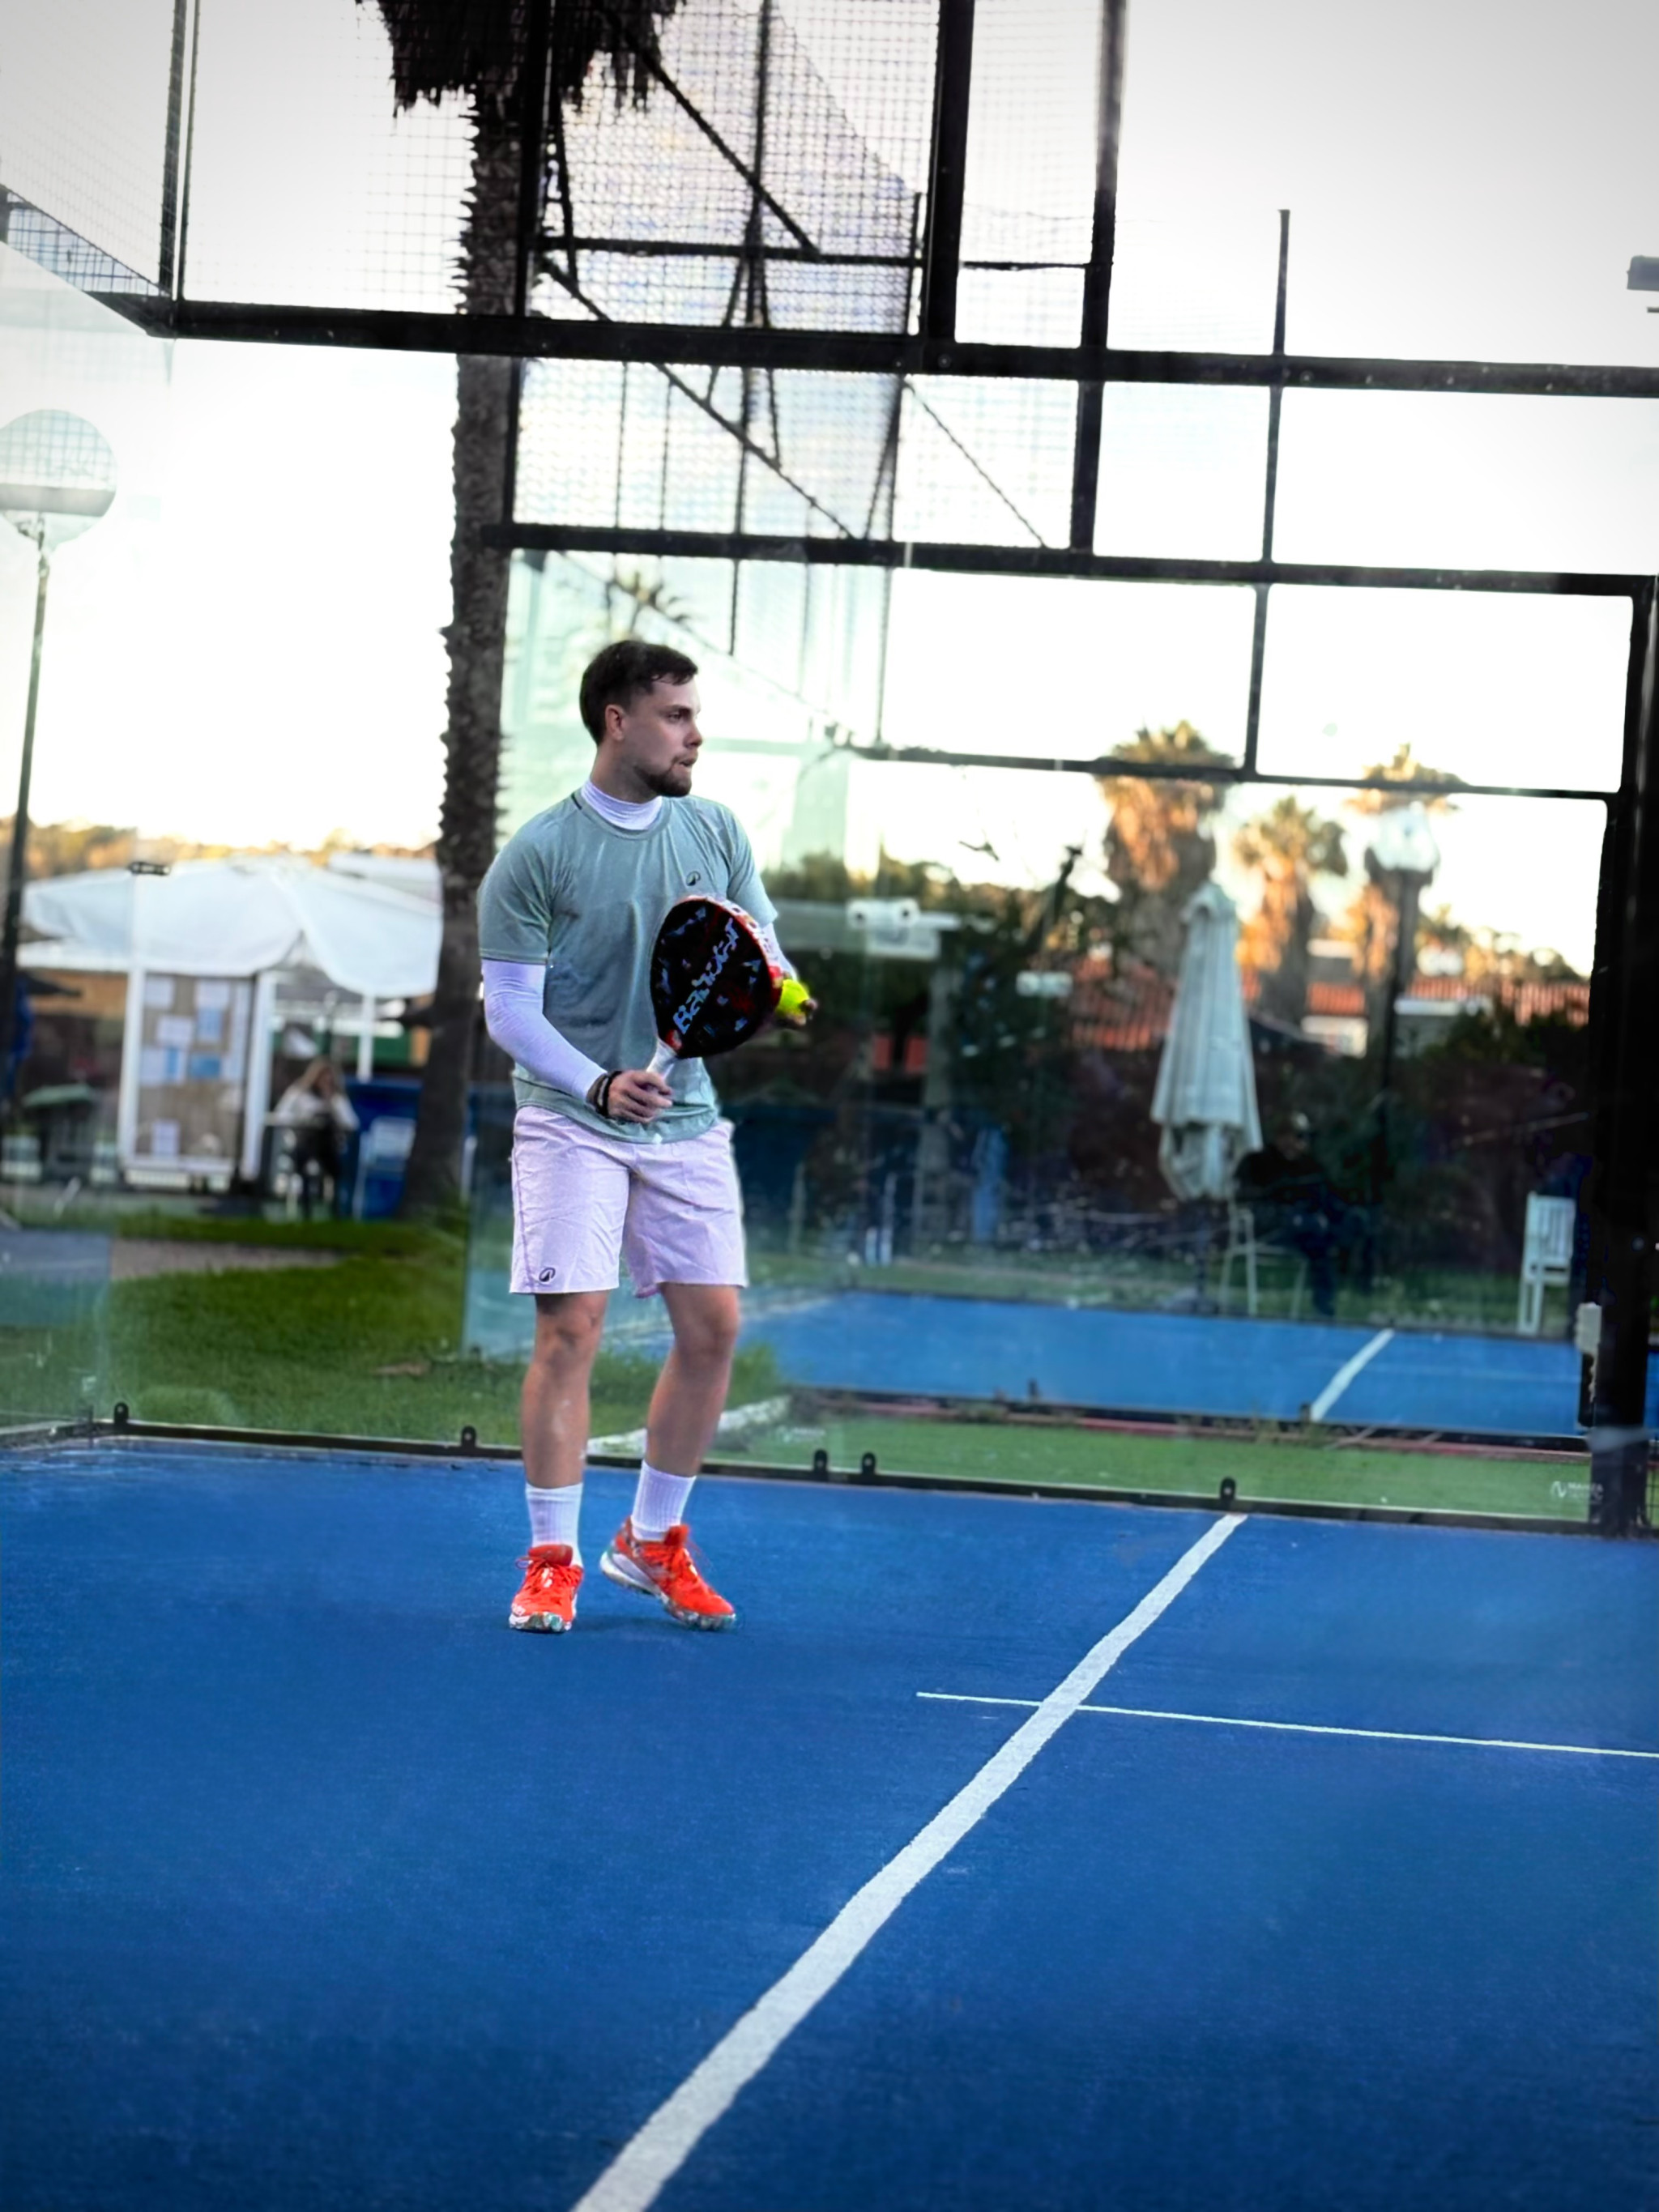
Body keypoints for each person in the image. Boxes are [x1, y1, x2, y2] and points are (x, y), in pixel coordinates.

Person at [478, 638, 803, 1635]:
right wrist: (598, 1082)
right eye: (676, 715)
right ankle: (551, 1561)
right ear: (617, 721)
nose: (694, 735)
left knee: (713, 1329)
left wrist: (781, 991)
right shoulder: (538, 853)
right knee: (570, 1328)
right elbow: (509, 1011)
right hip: (569, 1118)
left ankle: (651, 1542)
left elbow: (760, 947)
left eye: (694, 715)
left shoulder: (714, 830)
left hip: (684, 1118)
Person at [1236, 1110, 1347, 1319]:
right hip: (1266, 1228)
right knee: (1310, 1229)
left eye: (1302, 1138)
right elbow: (1245, 1198)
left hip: (1302, 1232)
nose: (1297, 1143)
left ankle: (1325, 1306)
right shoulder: (1257, 1162)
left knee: (1326, 1236)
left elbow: (1326, 1200)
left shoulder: (1310, 1167)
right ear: (1280, 1137)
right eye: (1293, 1136)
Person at [271, 1057, 359, 1217]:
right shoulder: (299, 1094)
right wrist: (304, 1119)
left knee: (337, 1168)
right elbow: (280, 1116)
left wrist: (332, 1105)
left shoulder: (337, 1098)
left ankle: (336, 1211)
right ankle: (305, 1210)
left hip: (327, 1146)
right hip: (303, 1143)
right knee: (304, 1164)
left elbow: (352, 1123)